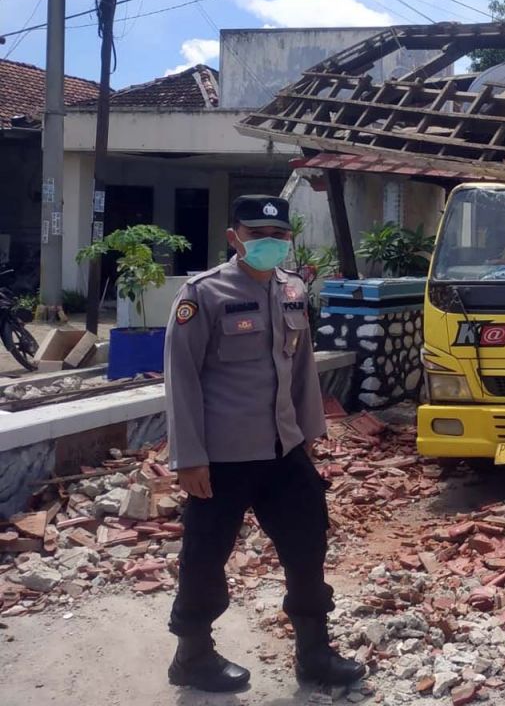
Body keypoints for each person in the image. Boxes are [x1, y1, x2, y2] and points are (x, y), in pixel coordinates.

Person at [164, 195, 364, 692]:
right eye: (257, 236)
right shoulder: (203, 294)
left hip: (283, 452)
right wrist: (188, 457)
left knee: (307, 546)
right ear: (235, 238)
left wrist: (308, 437)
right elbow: (181, 378)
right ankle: (192, 655)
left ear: (288, 240)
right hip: (222, 457)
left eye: (277, 236)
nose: (268, 245)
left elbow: (301, 372)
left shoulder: (292, 290)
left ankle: (314, 652)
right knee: (206, 555)